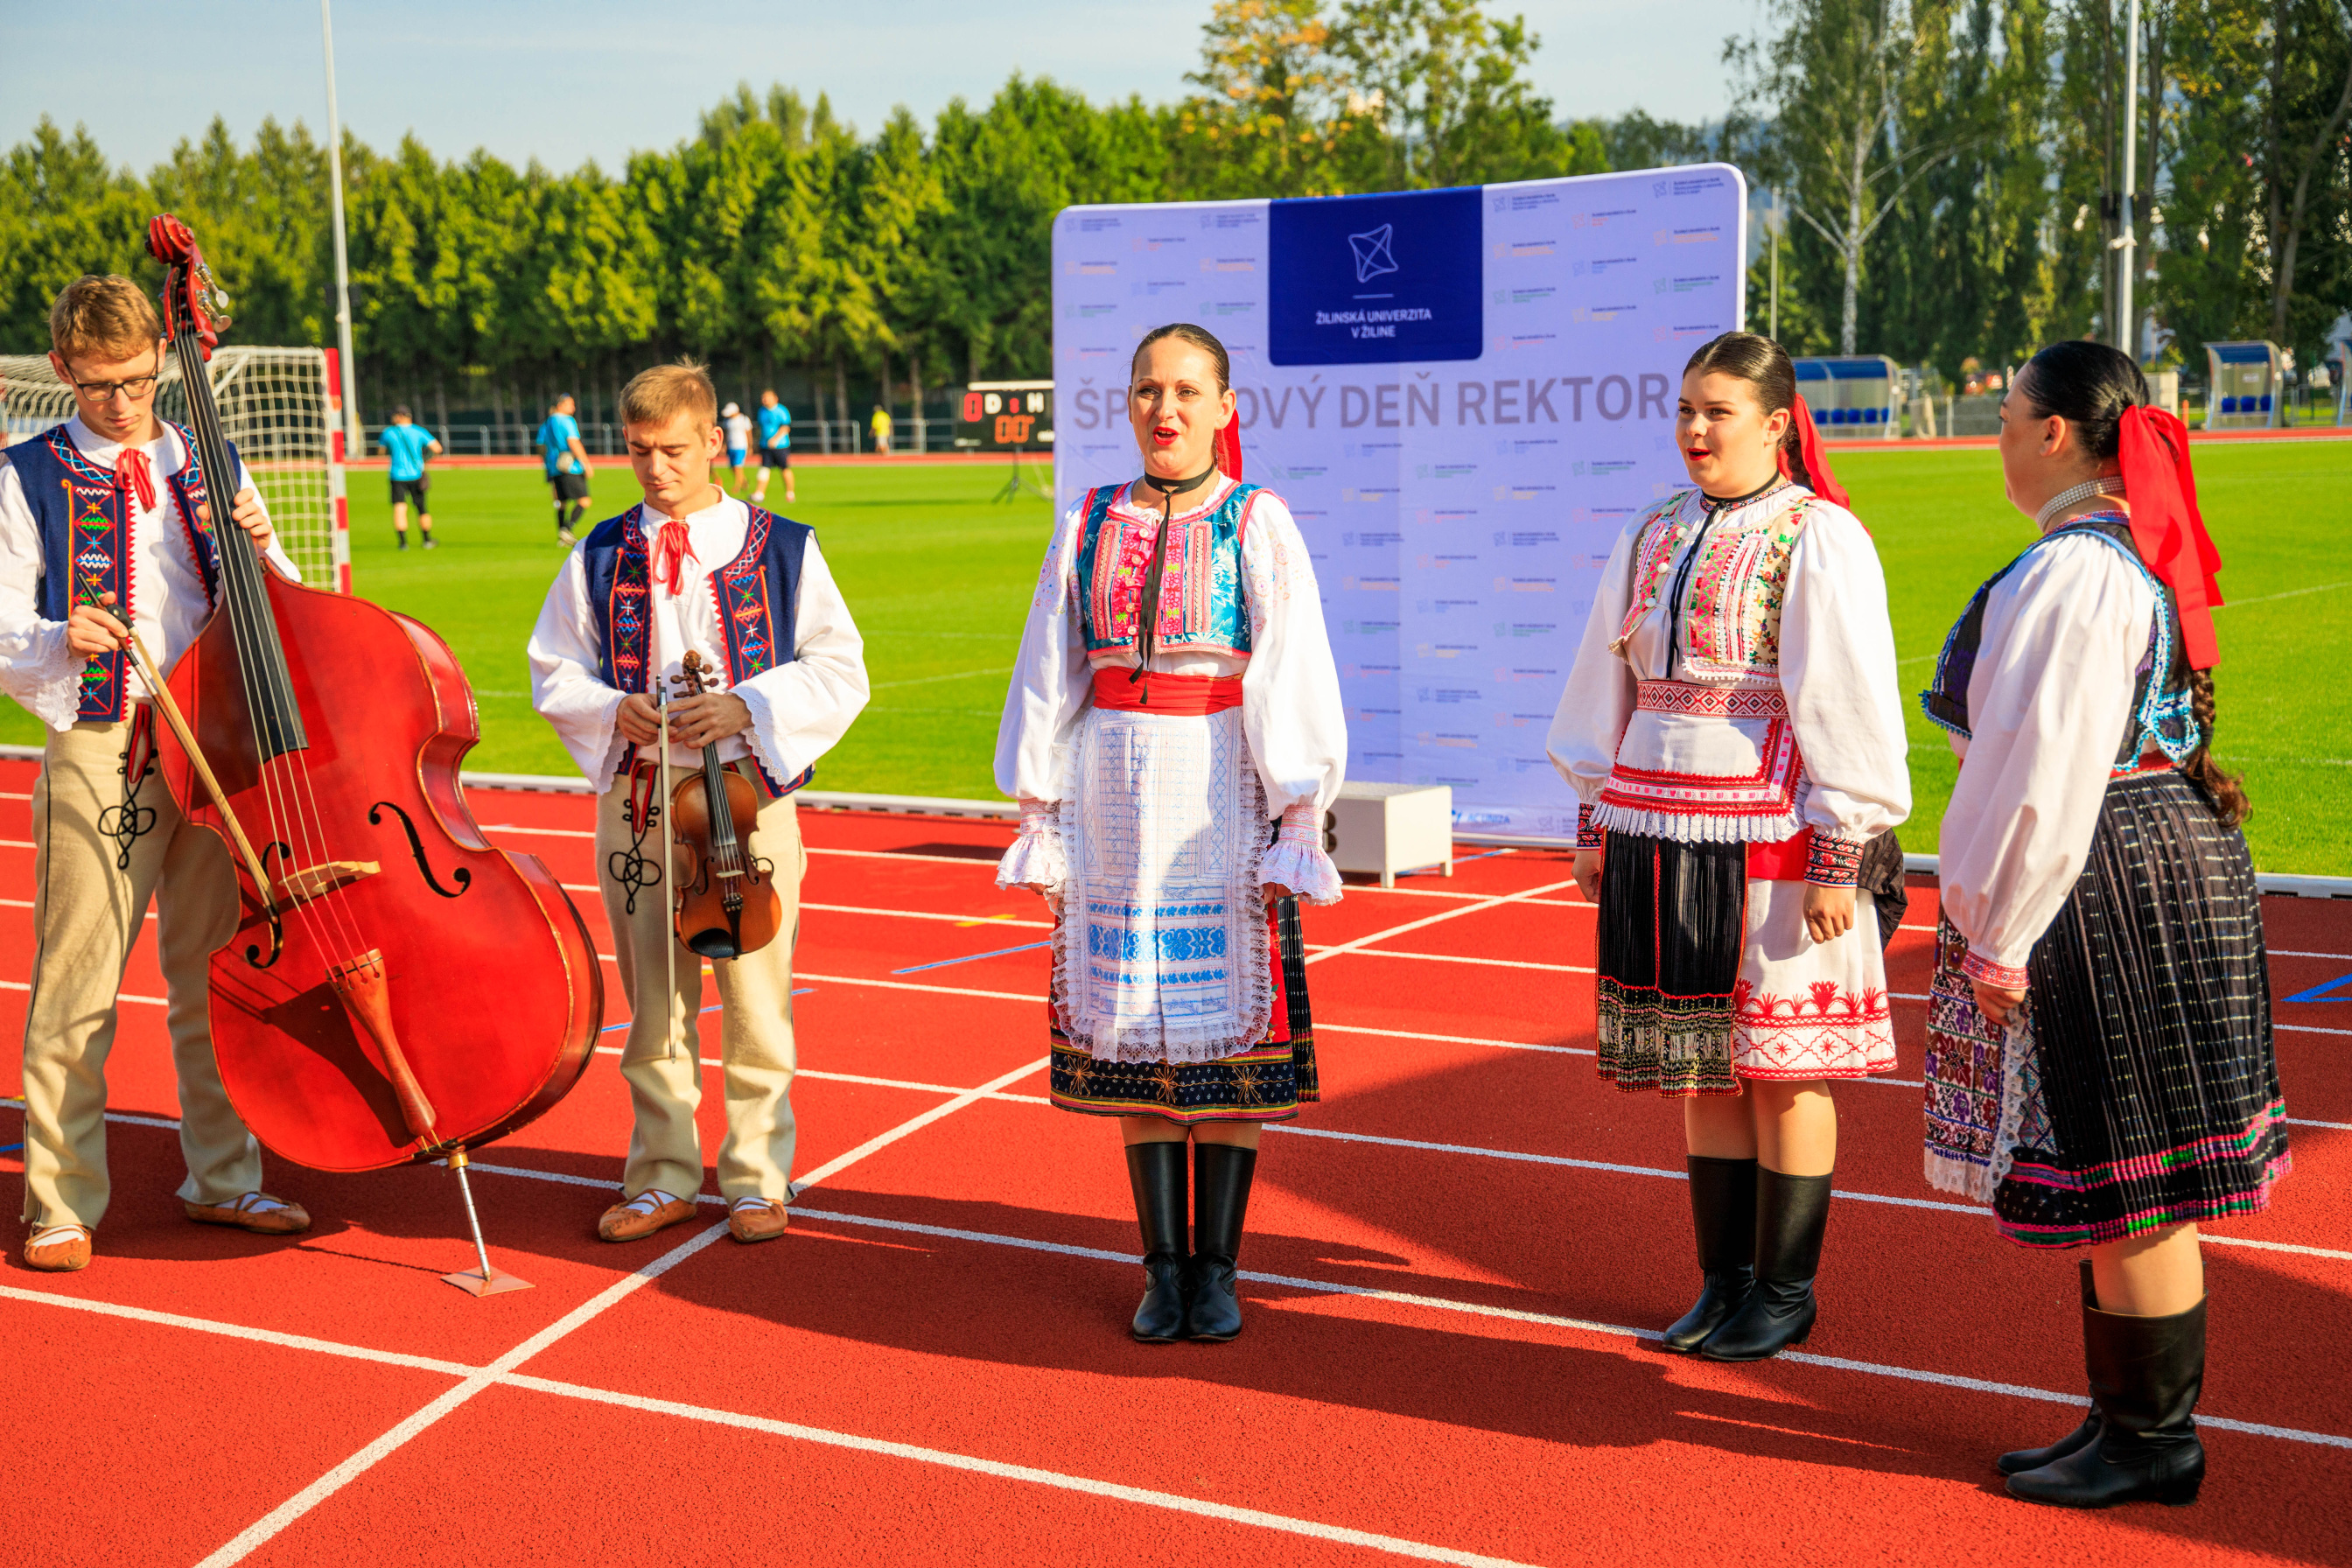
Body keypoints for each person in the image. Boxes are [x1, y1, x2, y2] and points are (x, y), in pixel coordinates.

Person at [1920, 340, 2286, 1508]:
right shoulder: (2115, 553)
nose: (1997, 436)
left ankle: (2154, 1440)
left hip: (2108, 865)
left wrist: (1998, 931)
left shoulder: (2078, 570)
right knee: (2122, 1159)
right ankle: (2124, 1422)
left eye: (2008, 417)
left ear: (2057, 433)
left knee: (2139, 1164)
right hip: (2149, 849)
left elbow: (2042, 769)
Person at [1546, 330, 1910, 1363]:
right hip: (1657, 821)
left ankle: (1786, 1291)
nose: (1696, 430)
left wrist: (1842, 849)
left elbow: (1845, 693)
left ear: (1776, 423)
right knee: (1702, 1066)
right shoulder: (1653, 529)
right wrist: (1594, 814)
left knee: (1785, 1067)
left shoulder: (1816, 536)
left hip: (1775, 830)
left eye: (1718, 412)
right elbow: (1605, 682)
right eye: (1685, 410)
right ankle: (1725, 1282)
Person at [994, 322, 1345, 1343]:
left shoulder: (1256, 521)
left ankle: (1217, 1268)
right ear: (1129, 403)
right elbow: (1049, 669)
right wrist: (1040, 811)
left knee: (1223, 1031)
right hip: (1111, 788)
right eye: (1149, 389)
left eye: (1188, 391)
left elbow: (1293, 666)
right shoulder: (1088, 520)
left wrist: (1297, 813)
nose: (1166, 408)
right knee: (1132, 1019)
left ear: (1225, 407)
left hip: (1220, 786)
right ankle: (1160, 1268)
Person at [0, 274, 314, 1271]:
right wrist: (58, 635)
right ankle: (60, 1200)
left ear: (162, 363)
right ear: (63, 371)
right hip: (105, 740)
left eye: (137, 380)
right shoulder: (24, 474)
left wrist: (264, 550)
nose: (122, 402)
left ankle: (224, 1177)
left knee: (213, 973)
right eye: (99, 384)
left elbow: (286, 603)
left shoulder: (209, 457)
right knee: (80, 977)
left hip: (214, 746)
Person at [528, 360, 868, 1245]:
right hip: (641, 799)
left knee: (757, 999)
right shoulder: (600, 551)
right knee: (654, 1001)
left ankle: (756, 1177)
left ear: (714, 441)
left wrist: (748, 705)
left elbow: (841, 666)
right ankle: (662, 1174)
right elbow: (553, 669)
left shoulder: (783, 545)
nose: (656, 468)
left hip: (750, 802)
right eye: (639, 450)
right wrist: (613, 709)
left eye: (674, 450)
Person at [379, 404, 442, 550]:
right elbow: (437, 448)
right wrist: (425, 459)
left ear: (400, 416)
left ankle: (403, 543)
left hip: (397, 476)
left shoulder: (388, 432)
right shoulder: (418, 431)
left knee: (399, 508)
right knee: (422, 509)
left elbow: (381, 451)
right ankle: (427, 540)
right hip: (416, 475)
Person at [536, 394, 593, 544]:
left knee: (562, 503)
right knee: (584, 500)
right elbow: (574, 442)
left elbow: (541, 445)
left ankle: (562, 539)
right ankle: (567, 530)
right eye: (570, 404)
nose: (573, 408)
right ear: (560, 405)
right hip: (570, 467)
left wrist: (547, 463)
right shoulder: (567, 421)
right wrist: (586, 463)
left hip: (554, 467)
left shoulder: (548, 422)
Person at [752, 388, 794, 507]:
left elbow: (786, 427)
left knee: (784, 468)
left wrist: (775, 439)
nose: (765, 400)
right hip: (765, 446)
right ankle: (759, 493)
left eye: (767, 397)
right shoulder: (762, 411)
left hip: (781, 446)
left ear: (775, 398)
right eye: (763, 398)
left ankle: (790, 493)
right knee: (764, 468)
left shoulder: (781, 410)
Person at [719, 401, 752, 494]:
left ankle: (737, 486)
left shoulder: (743, 419)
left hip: (741, 446)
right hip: (731, 446)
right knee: (732, 467)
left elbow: (748, 433)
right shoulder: (727, 421)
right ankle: (744, 481)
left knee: (738, 467)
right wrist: (724, 445)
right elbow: (726, 434)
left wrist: (750, 446)